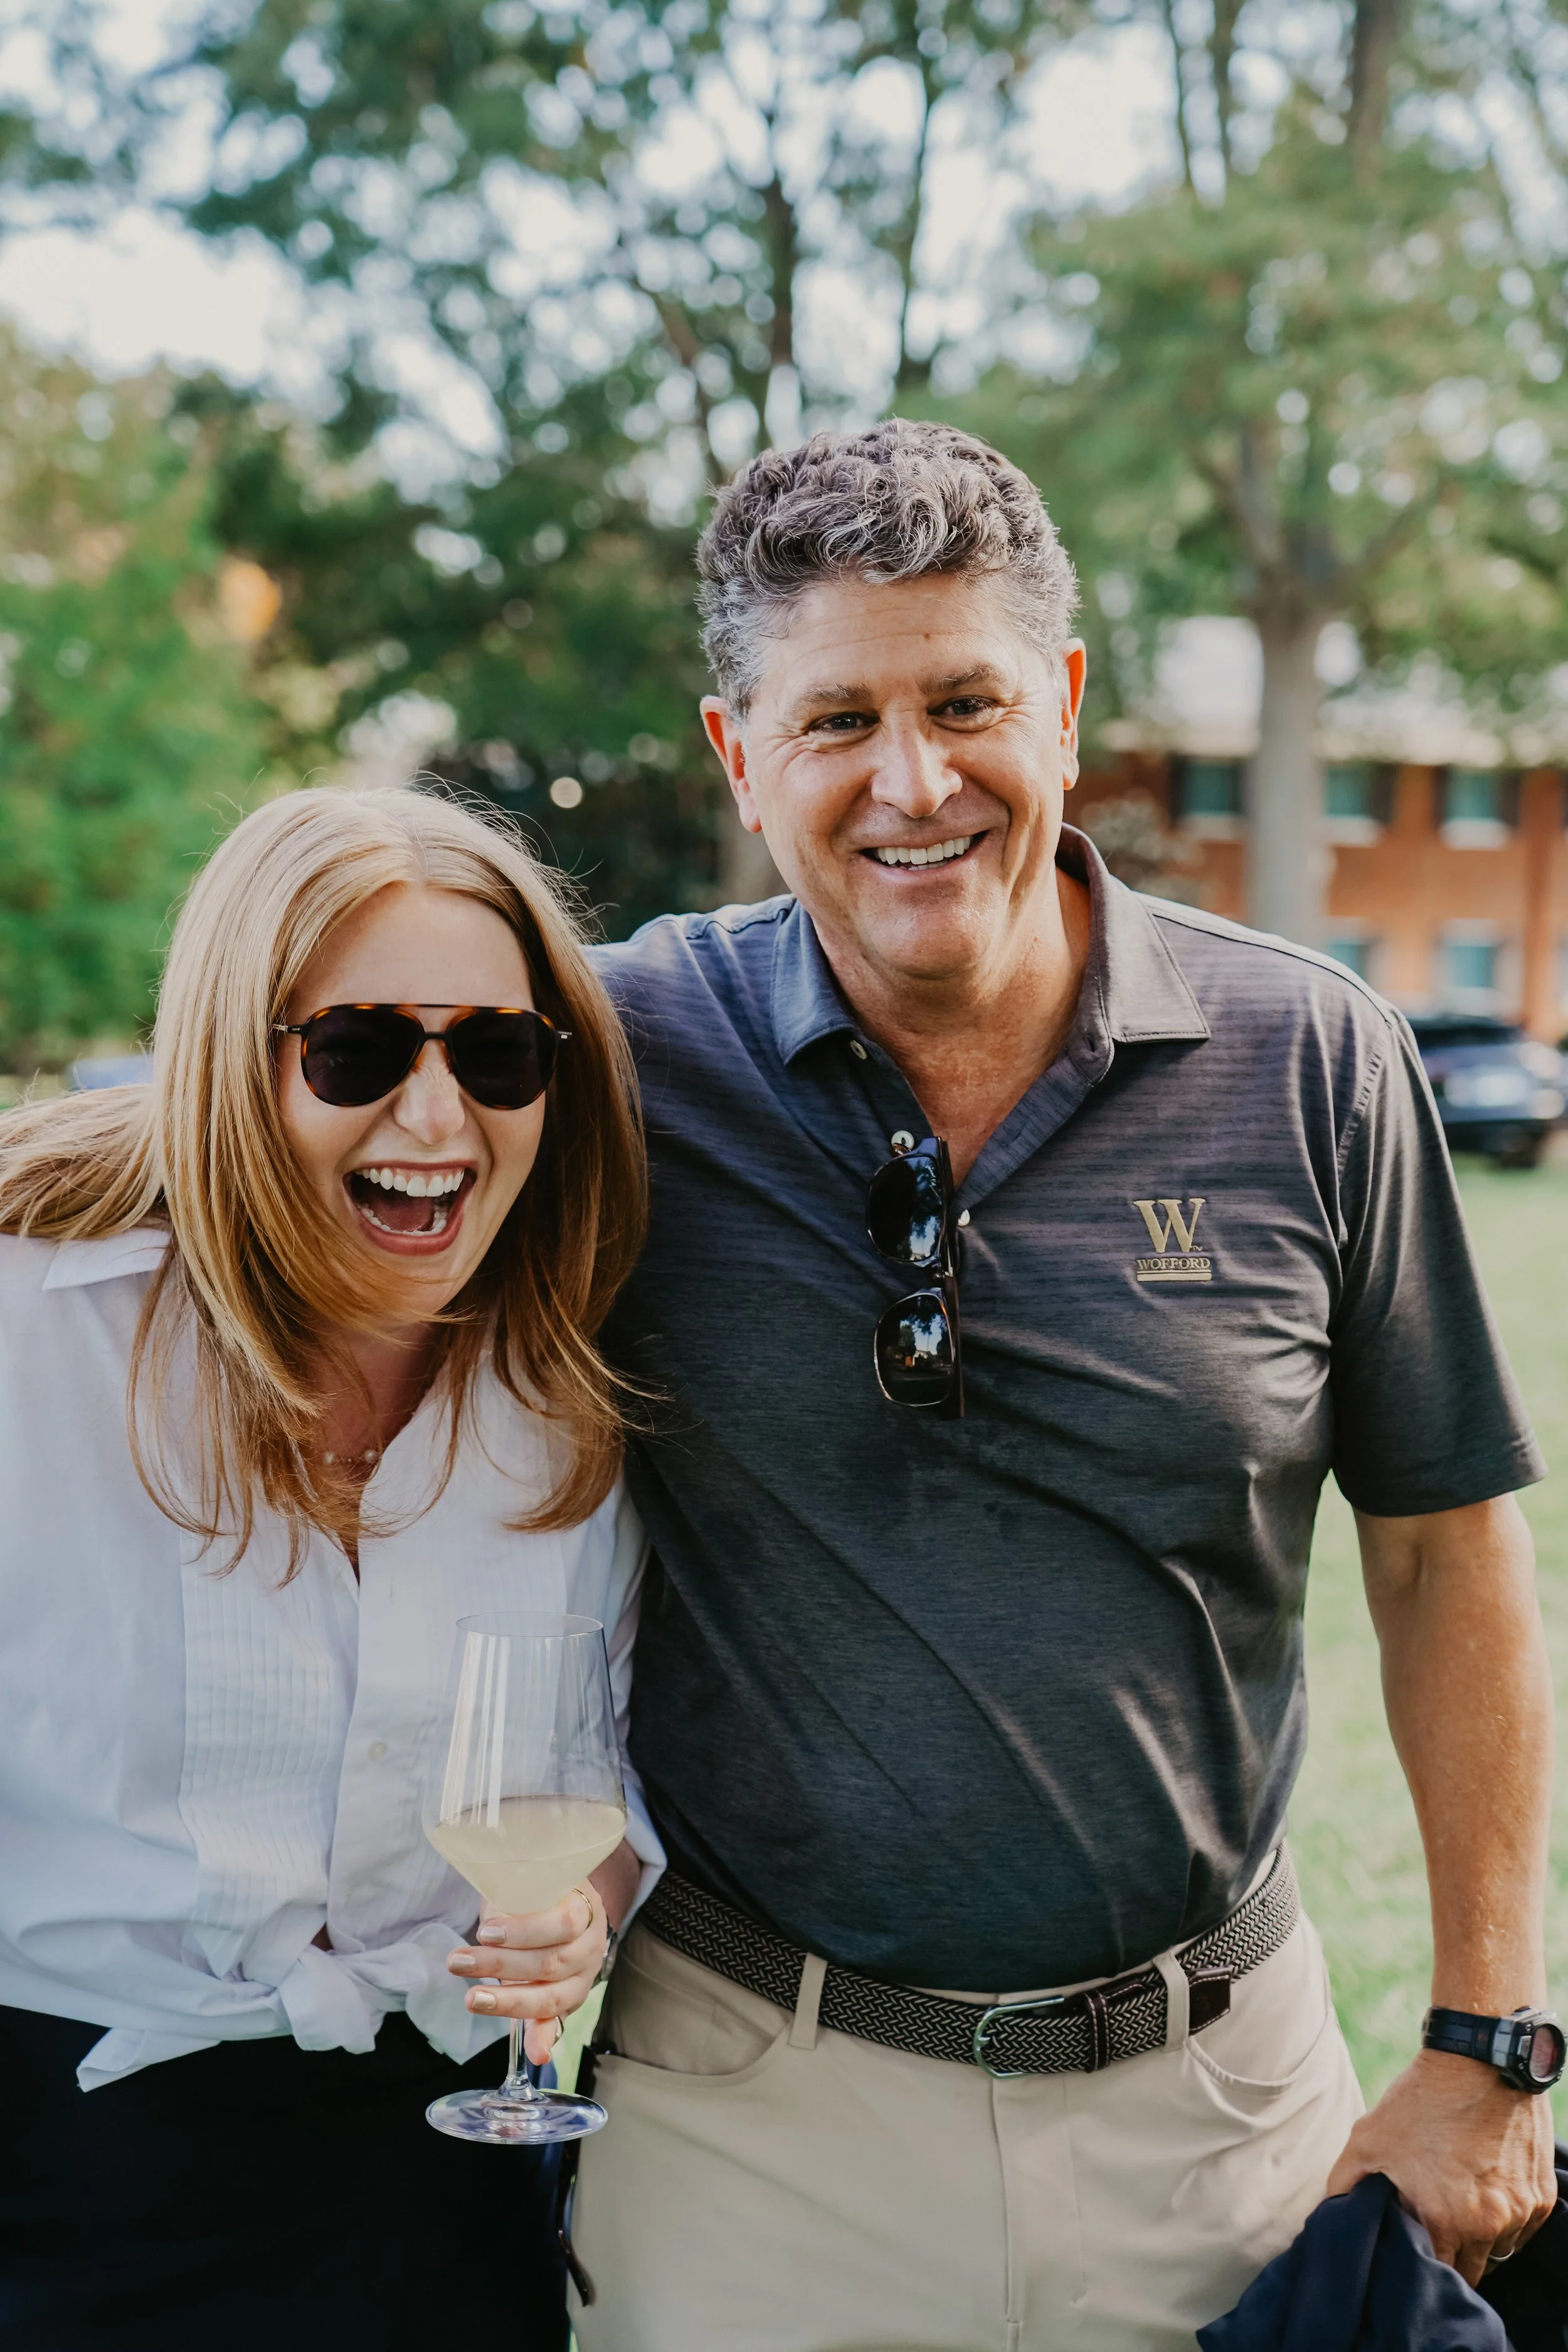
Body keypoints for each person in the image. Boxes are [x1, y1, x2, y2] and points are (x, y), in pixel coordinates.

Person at [568, 421, 1560, 2351]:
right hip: (746, 2119)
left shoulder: (1313, 1055)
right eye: (835, 718)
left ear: (1067, 705)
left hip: (1218, 2107)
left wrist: (1489, 2029)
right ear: (737, 754)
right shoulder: (613, 1056)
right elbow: (291, 1159)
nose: (911, 780)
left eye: (966, 702)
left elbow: (1445, 1550)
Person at [0, 786, 656, 2350]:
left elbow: (609, 1768)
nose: (437, 1121)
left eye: (496, 1055)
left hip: (440, 2185)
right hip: (61, 2182)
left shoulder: (577, 1386)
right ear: (237, 1067)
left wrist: (579, 1912)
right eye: (357, 1052)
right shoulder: (33, 1329)